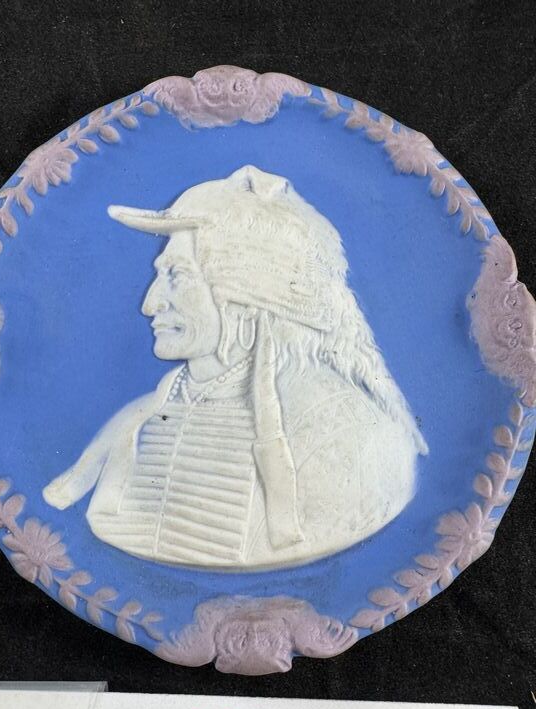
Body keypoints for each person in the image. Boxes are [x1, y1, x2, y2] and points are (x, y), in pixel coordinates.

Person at [43, 165, 428, 570]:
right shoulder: (139, 421)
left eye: (177, 275)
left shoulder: (353, 437)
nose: (150, 304)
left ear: (248, 296)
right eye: (161, 275)